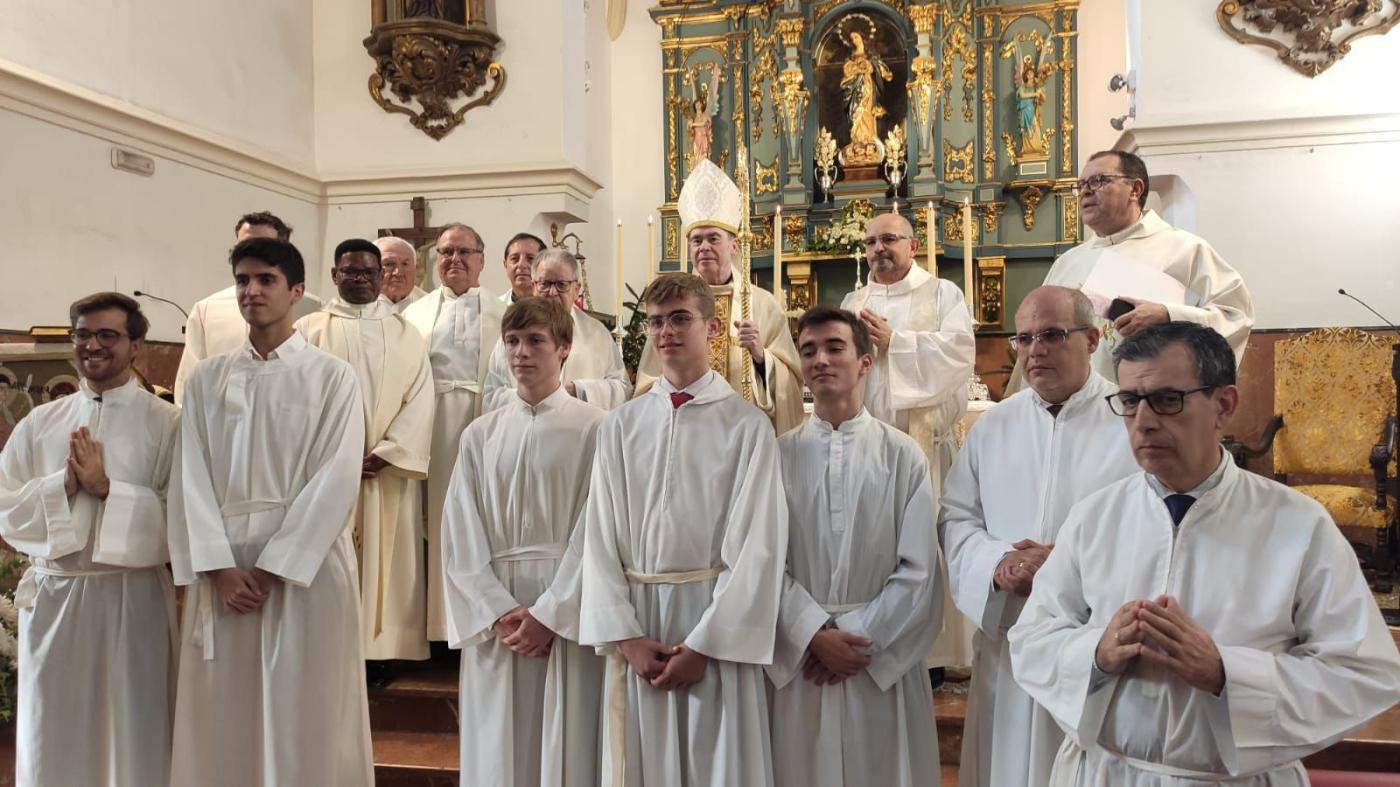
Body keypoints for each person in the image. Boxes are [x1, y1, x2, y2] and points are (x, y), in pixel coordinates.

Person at [1008, 322, 1400, 785]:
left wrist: (1225, 673)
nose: (1144, 420)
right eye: (1130, 401)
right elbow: (1032, 640)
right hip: (1106, 773)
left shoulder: (1297, 524)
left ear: (1223, 406)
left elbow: (1362, 672)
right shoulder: (1094, 517)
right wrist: (1096, 652)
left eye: (1167, 400)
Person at [168, 237, 372, 786]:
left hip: (304, 571)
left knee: (307, 705)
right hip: (226, 569)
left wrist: (275, 565)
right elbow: (189, 474)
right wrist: (218, 566)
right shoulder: (209, 377)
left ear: (298, 291)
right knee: (224, 711)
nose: (250, 291)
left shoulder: (332, 376)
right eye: (242, 280)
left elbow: (336, 476)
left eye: (265, 280)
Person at [580, 272, 788, 786]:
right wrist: (625, 636)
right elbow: (599, 536)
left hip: (711, 625)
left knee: (715, 764)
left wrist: (705, 645)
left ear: (713, 328)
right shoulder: (620, 425)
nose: (665, 331)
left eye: (679, 318)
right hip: (639, 622)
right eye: (655, 322)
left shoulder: (746, 425)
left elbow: (759, 545)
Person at [940, 286, 1138, 787]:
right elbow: (957, 517)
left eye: (1051, 335)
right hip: (1011, 636)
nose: (1034, 350)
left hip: (1091, 638)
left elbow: (1150, 524)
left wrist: (1064, 563)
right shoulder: (993, 426)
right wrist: (998, 563)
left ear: (1093, 339)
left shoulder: (1131, 422)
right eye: (1023, 338)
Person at [0, 293, 179, 787]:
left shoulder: (167, 422)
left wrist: (108, 490)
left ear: (136, 344)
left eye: (107, 335)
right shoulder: (40, 422)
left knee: (133, 726)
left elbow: (182, 516)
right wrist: (61, 487)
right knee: (52, 727)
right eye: (83, 334)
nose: (92, 345)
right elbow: (6, 509)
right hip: (55, 598)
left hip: (132, 597)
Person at [769, 305, 942, 787]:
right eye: (808, 351)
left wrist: (859, 637)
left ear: (865, 362)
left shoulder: (901, 454)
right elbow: (762, 562)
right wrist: (812, 634)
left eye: (834, 347)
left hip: (874, 655)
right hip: (804, 657)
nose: (820, 359)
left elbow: (919, 568)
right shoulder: (777, 455)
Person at [441, 297, 605, 786]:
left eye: (535, 341)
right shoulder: (479, 434)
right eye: (512, 341)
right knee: (498, 746)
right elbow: (459, 532)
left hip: (568, 608)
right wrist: (497, 610)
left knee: (569, 739)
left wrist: (551, 613)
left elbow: (598, 529)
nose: (521, 353)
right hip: (499, 616)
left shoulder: (595, 428)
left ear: (564, 349)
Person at [841, 210, 976, 671]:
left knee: (921, 545)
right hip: (865, 448)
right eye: (872, 241)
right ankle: (871, 631)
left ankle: (931, 656)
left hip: (922, 447)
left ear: (912, 245)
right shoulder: (854, 298)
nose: (879, 249)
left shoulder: (942, 293)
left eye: (889, 240)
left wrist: (895, 342)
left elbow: (959, 354)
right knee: (872, 540)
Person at [296, 239, 435, 666]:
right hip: (326, 472)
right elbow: (296, 398)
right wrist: (336, 455)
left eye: (367, 272)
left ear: (381, 277)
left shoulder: (405, 332)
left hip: (385, 472)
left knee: (390, 566)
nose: (358, 279)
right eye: (349, 272)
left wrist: (390, 451)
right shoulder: (308, 331)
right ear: (335, 276)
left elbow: (422, 396)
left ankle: (382, 653)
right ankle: (332, 651)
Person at [1011, 150, 1253, 388]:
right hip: (1072, 412)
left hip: (1148, 406)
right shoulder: (1068, 262)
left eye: (1098, 181)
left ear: (1135, 190)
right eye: (1081, 184)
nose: (1085, 191)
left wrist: (1167, 315)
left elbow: (1236, 316)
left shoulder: (1185, 249)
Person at [635, 159, 804, 434]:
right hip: (684, 430)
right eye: (696, 240)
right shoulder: (670, 308)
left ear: (734, 245)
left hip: (742, 432)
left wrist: (762, 357)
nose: (703, 247)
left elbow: (792, 384)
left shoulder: (762, 304)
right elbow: (647, 383)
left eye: (713, 238)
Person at [403, 223, 506, 643]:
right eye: (445, 253)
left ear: (482, 260)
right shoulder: (413, 314)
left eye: (464, 252)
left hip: (488, 420)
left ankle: (486, 616)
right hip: (433, 426)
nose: (454, 260)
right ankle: (441, 625)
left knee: (483, 520)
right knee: (438, 523)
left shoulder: (505, 313)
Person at [173, 211, 323, 403]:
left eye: (264, 245)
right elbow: (189, 387)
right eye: (244, 245)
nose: (253, 251)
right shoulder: (207, 309)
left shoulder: (312, 306)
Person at [483, 248, 631, 412]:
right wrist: (533, 395)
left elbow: (622, 389)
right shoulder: (515, 333)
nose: (552, 292)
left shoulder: (597, 334)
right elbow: (492, 394)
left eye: (561, 285)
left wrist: (578, 390)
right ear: (533, 286)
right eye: (544, 284)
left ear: (576, 289)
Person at [377, 235, 428, 313]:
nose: (398, 273)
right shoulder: (356, 306)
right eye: (389, 264)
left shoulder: (431, 305)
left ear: (415, 269)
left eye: (405, 264)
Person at [500, 232, 547, 304]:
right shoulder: (493, 309)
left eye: (530, 258)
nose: (521, 265)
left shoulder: (557, 309)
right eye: (514, 258)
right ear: (505, 265)